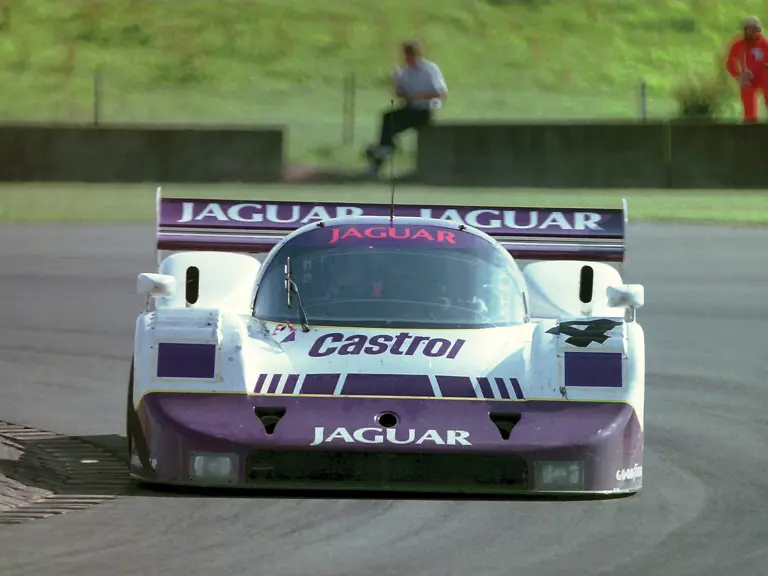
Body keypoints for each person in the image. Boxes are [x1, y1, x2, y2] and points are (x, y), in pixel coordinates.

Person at [364, 40, 448, 175]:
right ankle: (385, 148)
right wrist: (395, 81)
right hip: (410, 108)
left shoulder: (430, 69)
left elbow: (441, 93)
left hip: (424, 111)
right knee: (387, 118)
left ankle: (383, 153)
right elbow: (401, 95)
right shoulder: (405, 71)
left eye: (410, 55)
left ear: (416, 55)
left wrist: (417, 96)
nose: (407, 58)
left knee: (392, 129)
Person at [726, 16, 768, 123]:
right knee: (747, 93)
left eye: (751, 29)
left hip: (764, 78)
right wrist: (738, 77)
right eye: (746, 28)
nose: (748, 31)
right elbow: (730, 63)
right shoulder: (739, 44)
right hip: (748, 78)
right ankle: (750, 123)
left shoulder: (765, 44)